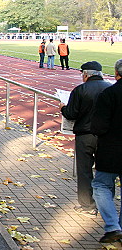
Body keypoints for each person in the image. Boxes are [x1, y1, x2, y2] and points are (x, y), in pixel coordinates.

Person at [60, 61, 111, 217]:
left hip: (85, 135)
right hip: (106, 136)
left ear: (86, 75)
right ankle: (107, 205)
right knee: (105, 172)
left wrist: (63, 108)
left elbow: (71, 114)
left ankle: (88, 206)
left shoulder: (80, 90)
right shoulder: (110, 88)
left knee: (84, 171)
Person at [91, 59, 122, 244]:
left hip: (110, 150)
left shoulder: (109, 93)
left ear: (117, 74)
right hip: (111, 149)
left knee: (100, 186)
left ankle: (112, 226)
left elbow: (98, 126)